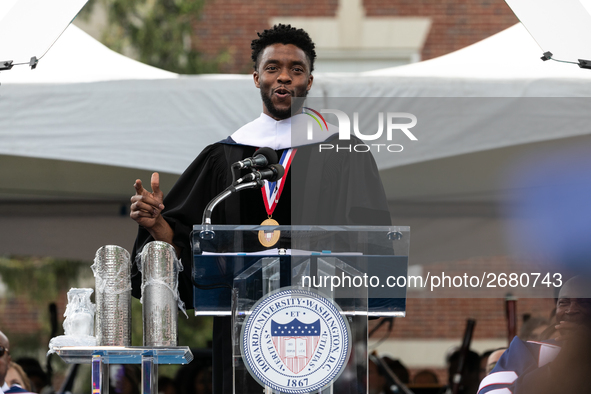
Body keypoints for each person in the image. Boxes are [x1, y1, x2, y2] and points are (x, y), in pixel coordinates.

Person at [129, 24, 390, 394]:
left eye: (296, 69)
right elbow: (193, 245)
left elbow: (373, 243)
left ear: (309, 81)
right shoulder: (223, 157)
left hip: (323, 331)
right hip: (241, 335)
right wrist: (158, 226)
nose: (284, 77)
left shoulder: (344, 153)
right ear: (256, 78)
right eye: (273, 68)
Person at [477, 276, 591, 393]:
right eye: (563, 302)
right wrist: (564, 358)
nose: (571, 309)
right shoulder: (523, 353)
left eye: (585, 302)